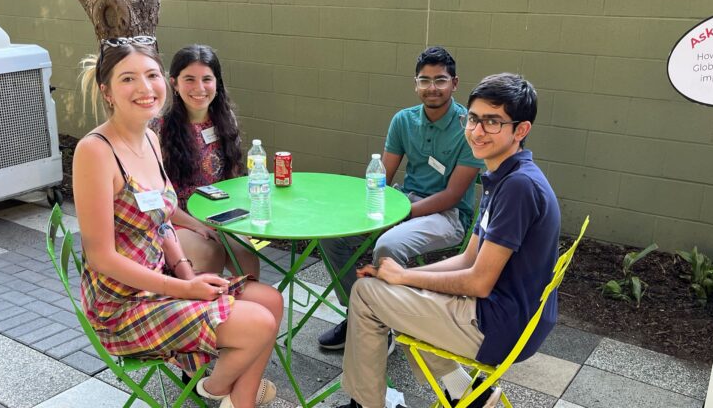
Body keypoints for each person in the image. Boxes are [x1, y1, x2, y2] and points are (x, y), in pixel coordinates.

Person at [73, 36, 283, 408]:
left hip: (164, 283)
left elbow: (163, 218)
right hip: (123, 304)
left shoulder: (151, 139)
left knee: (271, 301)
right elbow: (102, 258)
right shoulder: (95, 151)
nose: (144, 88)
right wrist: (183, 289)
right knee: (259, 324)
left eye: (151, 74)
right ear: (106, 91)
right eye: (127, 79)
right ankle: (216, 390)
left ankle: (238, 401)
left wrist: (186, 275)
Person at [335, 73, 561, 408]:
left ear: (521, 130)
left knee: (367, 296)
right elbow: (469, 258)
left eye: (493, 122)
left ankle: (366, 405)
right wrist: (405, 280)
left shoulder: (518, 187)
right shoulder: (506, 176)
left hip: (498, 325)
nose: (477, 130)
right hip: (508, 315)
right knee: (396, 294)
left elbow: (479, 282)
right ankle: (465, 393)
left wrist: (405, 277)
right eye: (472, 119)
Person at [318, 46, 484, 350]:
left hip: (446, 216)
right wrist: (364, 208)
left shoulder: (467, 128)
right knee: (333, 236)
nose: (432, 88)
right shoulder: (403, 121)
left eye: (440, 80)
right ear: (415, 84)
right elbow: (382, 178)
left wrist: (402, 213)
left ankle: (384, 324)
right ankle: (358, 313)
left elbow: (452, 195)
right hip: (403, 202)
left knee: (388, 244)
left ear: (455, 84)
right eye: (425, 80)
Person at [149, 44, 260, 279]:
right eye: (189, 79)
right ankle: (206, 311)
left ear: (217, 83)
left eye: (206, 79)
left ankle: (244, 311)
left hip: (219, 216)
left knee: (248, 258)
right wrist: (196, 225)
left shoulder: (225, 121)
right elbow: (157, 197)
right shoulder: (159, 129)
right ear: (174, 83)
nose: (199, 88)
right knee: (210, 253)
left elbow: (233, 179)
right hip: (176, 217)